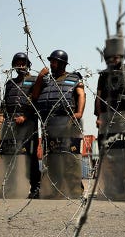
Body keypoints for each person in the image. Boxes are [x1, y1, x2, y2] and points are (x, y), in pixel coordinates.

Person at [31, 50, 85, 199]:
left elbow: (81, 94)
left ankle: (74, 190)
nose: (51, 64)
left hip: (68, 122)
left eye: (54, 61)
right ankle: (54, 189)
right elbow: (35, 96)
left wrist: (79, 112)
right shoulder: (47, 80)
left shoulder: (73, 78)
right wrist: (40, 77)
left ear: (62, 63)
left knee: (70, 157)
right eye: (51, 61)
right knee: (52, 158)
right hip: (50, 123)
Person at [94, 36, 125, 200]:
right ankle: (112, 188)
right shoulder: (104, 75)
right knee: (110, 154)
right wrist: (99, 116)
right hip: (108, 117)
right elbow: (99, 96)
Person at [0, 52, 40, 198]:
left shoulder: (34, 80)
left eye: (23, 63)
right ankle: (12, 186)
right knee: (10, 155)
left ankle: (35, 187)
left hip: (28, 124)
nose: (20, 65)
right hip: (11, 124)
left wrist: (26, 116)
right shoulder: (10, 83)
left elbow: (37, 101)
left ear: (28, 65)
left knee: (29, 156)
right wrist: (1, 117)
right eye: (18, 63)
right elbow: (4, 103)